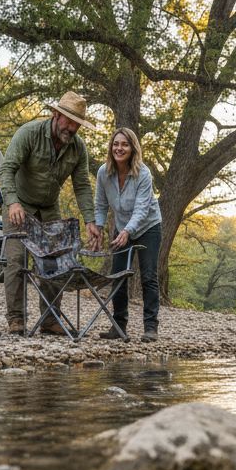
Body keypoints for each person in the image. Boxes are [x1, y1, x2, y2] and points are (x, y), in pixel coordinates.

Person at [0, 91, 102, 335]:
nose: (73, 128)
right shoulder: (29, 133)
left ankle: (50, 318)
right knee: (16, 260)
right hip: (19, 204)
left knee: (55, 261)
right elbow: (6, 170)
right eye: (69, 121)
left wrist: (90, 220)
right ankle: (16, 318)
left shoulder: (78, 148)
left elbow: (82, 186)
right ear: (56, 115)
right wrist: (12, 202)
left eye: (77, 124)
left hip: (49, 208)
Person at [91, 127, 162, 342]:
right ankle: (118, 327)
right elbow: (101, 204)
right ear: (111, 147)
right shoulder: (104, 172)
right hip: (121, 227)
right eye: (116, 144)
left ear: (133, 149)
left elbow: (141, 209)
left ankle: (150, 328)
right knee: (118, 276)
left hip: (148, 227)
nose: (119, 148)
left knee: (148, 276)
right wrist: (100, 228)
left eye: (124, 144)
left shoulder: (143, 173)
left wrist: (127, 231)